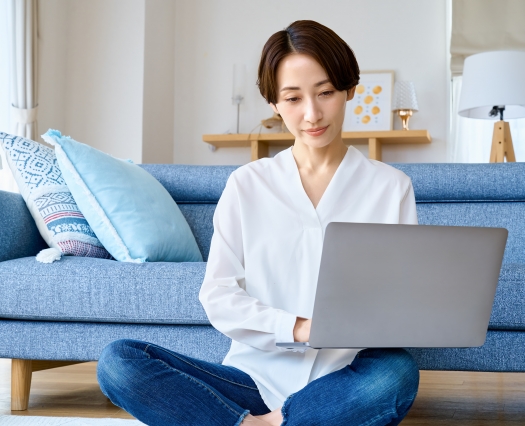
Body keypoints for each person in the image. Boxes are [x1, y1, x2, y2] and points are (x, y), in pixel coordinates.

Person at [97, 20, 419, 426]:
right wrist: (299, 328)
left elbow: (399, 303)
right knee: (119, 362)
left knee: (398, 372)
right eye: (293, 98)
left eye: (326, 93)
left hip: (345, 379)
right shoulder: (248, 184)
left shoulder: (391, 188)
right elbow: (218, 296)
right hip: (251, 381)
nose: (312, 114)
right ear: (273, 104)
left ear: (349, 90)